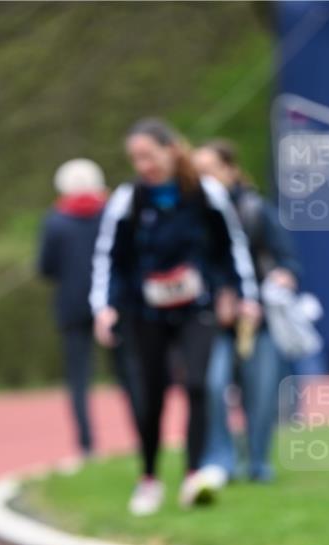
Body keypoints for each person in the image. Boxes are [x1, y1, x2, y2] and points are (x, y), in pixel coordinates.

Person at [90, 119, 260, 515]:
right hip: (145, 310)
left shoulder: (205, 193)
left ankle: (192, 475)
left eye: (149, 155)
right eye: (136, 158)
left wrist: (242, 293)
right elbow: (109, 257)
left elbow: (230, 247)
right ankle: (148, 477)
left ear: (170, 150)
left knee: (200, 385)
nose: (143, 164)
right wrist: (105, 306)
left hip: (195, 308)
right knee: (151, 396)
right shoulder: (128, 199)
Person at [193, 139, 301, 484]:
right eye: (197, 173)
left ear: (230, 170)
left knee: (261, 394)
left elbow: (289, 260)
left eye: (209, 171)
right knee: (213, 387)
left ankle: (257, 462)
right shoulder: (195, 215)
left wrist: (284, 277)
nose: (202, 179)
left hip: (260, 321)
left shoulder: (257, 210)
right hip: (215, 321)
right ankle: (221, 460)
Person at [38, 158, 142, 467]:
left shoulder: (55, 221)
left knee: (79, 380)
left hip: (73, 307)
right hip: (115, 306)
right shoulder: (112, 214)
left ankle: (86, 446)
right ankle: (142, 438)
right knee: (129, 375)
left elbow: (46, 268)